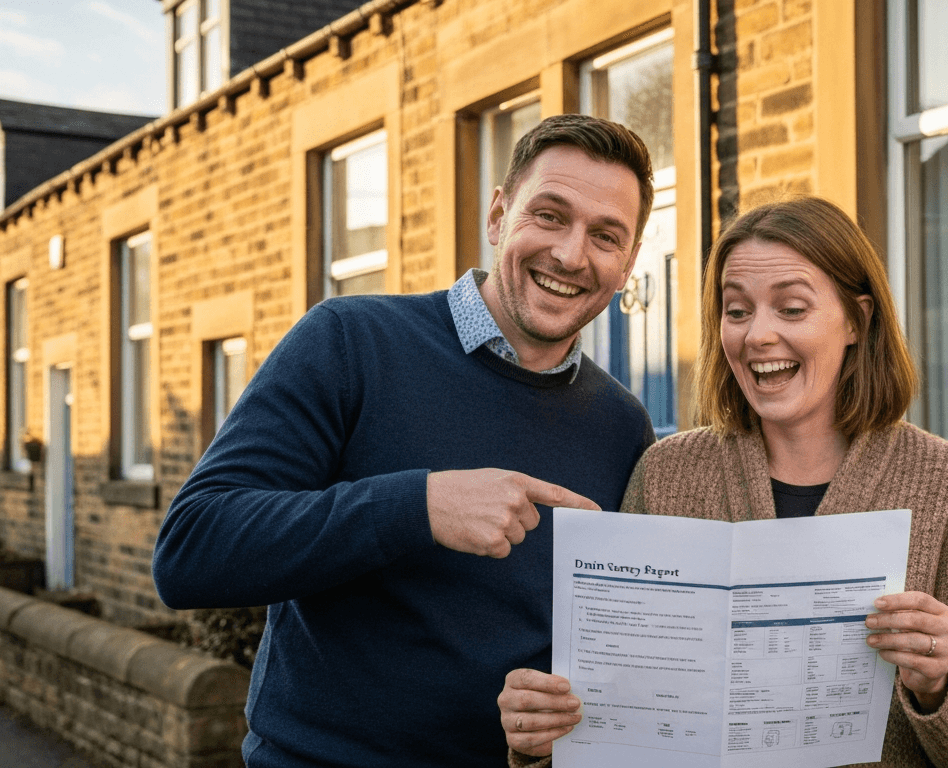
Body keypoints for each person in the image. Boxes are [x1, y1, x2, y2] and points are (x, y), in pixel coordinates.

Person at [152, 114, 657, 767]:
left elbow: (614, 649)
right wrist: (419, 507)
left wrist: (563, 719)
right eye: (550, 216)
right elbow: (192, 549)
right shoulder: (350, 342)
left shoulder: (622, 425)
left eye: (606, 235)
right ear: (499, 216)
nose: (570, 254)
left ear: (628, 264)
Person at [499, 196, 948, 767]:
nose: (758, 336)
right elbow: (624, 721)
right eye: (737, 310)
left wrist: (940, 680)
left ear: (857, 319)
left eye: (792, 308)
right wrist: (548, 742)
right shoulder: (666, 475)